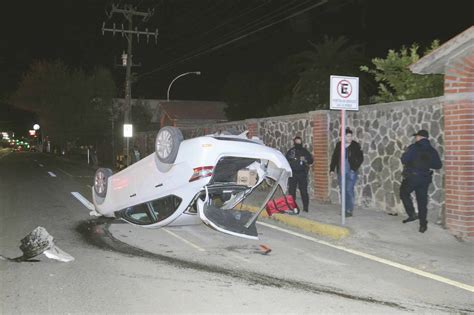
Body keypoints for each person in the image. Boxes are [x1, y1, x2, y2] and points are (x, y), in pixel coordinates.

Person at [400, 129, 442, 233]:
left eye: (416, 136)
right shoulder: (432, 150)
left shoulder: (414, 147)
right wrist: (426, 162)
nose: (415, 138)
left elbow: (404, 159)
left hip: (412, 177)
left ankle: (412, 214)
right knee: (422, 201)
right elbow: (438, 165)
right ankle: (423, 224)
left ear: (419, 137)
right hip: (425, 178)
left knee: (403, 193)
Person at [330, 127, 364, 217]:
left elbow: (361, 157)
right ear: (343, 137)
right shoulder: (339, 145)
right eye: (347, 136)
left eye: (350, 136)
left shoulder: (355, 145)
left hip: (351, 172)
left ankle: (349, 210)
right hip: (341, 172)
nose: (349, 138)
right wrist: (332, 169)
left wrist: (354, 168)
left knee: (349, 190)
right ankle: (344, 209)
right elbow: (334, 158)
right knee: (342, 190)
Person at [285, 136, 313, 212]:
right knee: (291, 191)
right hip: (293, 174)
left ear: (301, 142)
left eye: (299, 141)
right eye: (296, 142)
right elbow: (286, 160)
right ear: (294, 142)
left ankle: (306, 208)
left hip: (302, 174)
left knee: (304, 191)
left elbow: (311, 160)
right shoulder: (291, 151)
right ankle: (293, 207)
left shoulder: (304, 151)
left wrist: (305, 159)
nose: (298, 143)